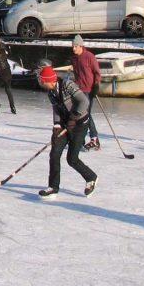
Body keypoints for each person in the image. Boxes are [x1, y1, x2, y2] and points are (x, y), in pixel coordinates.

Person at [37, 65, 98, 199]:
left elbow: (84, 101)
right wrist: (57, 125)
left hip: (80, 124)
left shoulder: (67, 85)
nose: (41, 83)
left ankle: (91, 177)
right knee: (54, 154)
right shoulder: (51, 92)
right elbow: (56, 110)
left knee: (72, 159)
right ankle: (53, 187)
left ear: (49, 80)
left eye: (42, 81)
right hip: (66, 124)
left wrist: (74, 117)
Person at [71, 36, 101, 151]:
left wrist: (96, 85)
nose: (73, 48)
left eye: (75, 46)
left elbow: (97, 72)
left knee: (86, 114)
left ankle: (94, 139)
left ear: (81, 46)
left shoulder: (89, 57)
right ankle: (80, 139)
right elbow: (76, 74)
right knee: (79, 114)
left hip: (89, 90)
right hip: (78, 90)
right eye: (73, 46)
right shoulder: (74, 58)